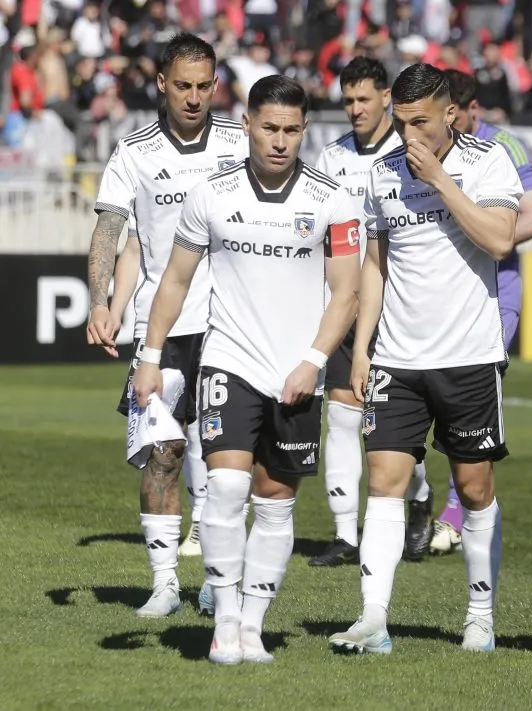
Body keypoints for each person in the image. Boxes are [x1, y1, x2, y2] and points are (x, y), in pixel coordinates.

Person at [132, 75, 362, 664]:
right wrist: (151, 358)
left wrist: (313, 362)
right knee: (228, 486)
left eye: (291, 130)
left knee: (275, 500)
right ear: (249, 125)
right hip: (227, 360)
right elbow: (175, 281)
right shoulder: (211, 194)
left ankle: (254, 627)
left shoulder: (332, 200)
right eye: (269, 129)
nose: (280, 141)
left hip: (296, 372)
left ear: (305, 130)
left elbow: (346, 294)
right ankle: (225, 622)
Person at [328, 63, 523, 655]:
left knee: (473, 487)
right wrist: (362, 347)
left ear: (450, 114)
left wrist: (440, 179)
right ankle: (373, 618)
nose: (410, 135)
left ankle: (480, 614)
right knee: (385, 483)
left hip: (468, 355)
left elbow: (499, 240)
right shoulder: (381, 174)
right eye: (402, 122)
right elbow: (375, 263)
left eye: (421, 123)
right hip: (397, 358)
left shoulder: (487, 162)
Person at [85, 32, 247, 618]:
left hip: (230, 325)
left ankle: (216, 577)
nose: (195, 97)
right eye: (183, 85)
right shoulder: (134, 152)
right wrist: (101, 301)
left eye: (205, 86)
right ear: (161, 84)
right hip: (161, 328)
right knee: (164, 452)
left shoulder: (241, 141)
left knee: (223, 459)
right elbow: (113, 230)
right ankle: (163, 583)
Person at [309, 56, 434, 568]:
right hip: (344, 306)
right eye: (348, 100)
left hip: (397, 308)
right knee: (340, 416)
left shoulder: (413, 153)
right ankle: (346, 535)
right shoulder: (330, 158)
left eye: (364, 99)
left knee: (389, 430)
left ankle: (421, 497)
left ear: (387, 98)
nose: (355, 109)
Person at [428, 68, 532, 555]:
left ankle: (456, 513)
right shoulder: (424, 150)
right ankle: (418, 502)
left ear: (472, 110)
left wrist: (477, 234)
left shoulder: (506, 148)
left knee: (471, 404)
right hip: (436, 296)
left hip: (497, 295)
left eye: (462, 114)